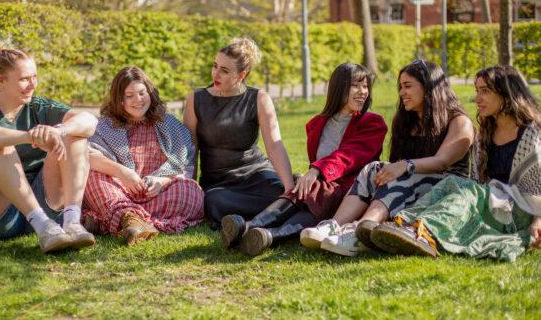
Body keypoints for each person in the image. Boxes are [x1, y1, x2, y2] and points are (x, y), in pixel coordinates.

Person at [302, 60, 475, 256]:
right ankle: (334, 226)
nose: (401, 93)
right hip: (412, 187)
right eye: (400, 87)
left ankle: (357, 232)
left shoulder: (459, 121)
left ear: (429, 87)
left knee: (402, 176)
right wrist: (398, 169)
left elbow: (442, 161)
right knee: (373, 168)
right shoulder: (405, 121)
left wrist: (406, 166)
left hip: (449, 191)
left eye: (407, 86)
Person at [370, 65, 541, 262]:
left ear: (506, 94)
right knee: (454, 184)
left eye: (485, 91)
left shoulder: (531, 134)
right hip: (493, 204)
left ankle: (422, 232)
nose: (477, 99)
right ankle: (405, 224)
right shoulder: (486, 133)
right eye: (477, 91)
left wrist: (538, 222)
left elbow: (538, 190)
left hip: (522, 212)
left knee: (462, 186)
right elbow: (478, 182)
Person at [220, 63, 388, 256]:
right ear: (340, 88)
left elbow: (350, 155)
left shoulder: (372, 123)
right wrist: (312, 177)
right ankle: (254, 230)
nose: (362, 92)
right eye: (356, 86)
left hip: (351, 193)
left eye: (365, 86)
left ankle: (264, 232)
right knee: (307, 190)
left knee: (315, 190)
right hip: (321, 189)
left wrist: (316, 170)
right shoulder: (317, 124)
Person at [0, 46, 98, 253]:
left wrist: (58, 130)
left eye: (34, 77)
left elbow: (89, 121)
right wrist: (28, 136)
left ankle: (71, 222)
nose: (32, 84)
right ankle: (43, 225)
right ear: (0, 80)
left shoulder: (40, 107)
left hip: (46, 207)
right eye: (24, 79)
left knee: (75, 136)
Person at [82, 67, 204, 245]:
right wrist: (122, 173)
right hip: (119, 191)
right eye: (129, 95)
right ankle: (130, 217)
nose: (138, 100)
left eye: (142, 93)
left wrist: (162, 182)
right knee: (91, 178)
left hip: (158, 194)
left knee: (192, 191)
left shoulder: (169, 123)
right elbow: (89, 156)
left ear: (150, 93)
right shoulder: (106, 125)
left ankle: (118, 220)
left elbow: (185, 168)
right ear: (119, 99)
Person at [183, 38, 294, 230]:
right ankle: (275, 213)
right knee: (213, 202)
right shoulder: (196, 99)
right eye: (215, 66)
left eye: (224, 70)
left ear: (241, 75)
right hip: (218, 184)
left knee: (283, 194)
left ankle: (250, 221)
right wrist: (190, 191)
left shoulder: (258, 98)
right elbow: (191, 152)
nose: (215, 73)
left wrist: (289, 187)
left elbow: (274, 145)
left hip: (256, 174)